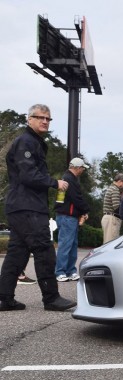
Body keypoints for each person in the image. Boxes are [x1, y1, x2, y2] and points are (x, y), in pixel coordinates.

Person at [0, 104, 75, 312]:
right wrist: (54, 183)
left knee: (17, 253)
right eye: (39, 117)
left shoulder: (34, 142)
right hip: (28, 207)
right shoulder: (26, 141)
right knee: (44, 249)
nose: (44, 121)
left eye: (48, 118)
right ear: (29, 119)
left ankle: (4, 298)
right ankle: (51, 298)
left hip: (20, 206)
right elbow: (28, 175)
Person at [54, 157, 90, 282]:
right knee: (66, 244)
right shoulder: (69, 179)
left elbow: (64, 199)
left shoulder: (67, 178)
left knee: (72, 245)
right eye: (82, 168)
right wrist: (85, 210)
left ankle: (70, 271)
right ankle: (60, 272)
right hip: (67, 216)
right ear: (77, 168)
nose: (83, 170)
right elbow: (76, 198)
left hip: (68, 216)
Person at [101, 173, 123, 244]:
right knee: (110, 244)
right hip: (112, 219)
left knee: (107, 242)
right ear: (119, 181)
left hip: (108, 218)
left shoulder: (111, 188)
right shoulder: (115, 190)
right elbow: (116, 207)